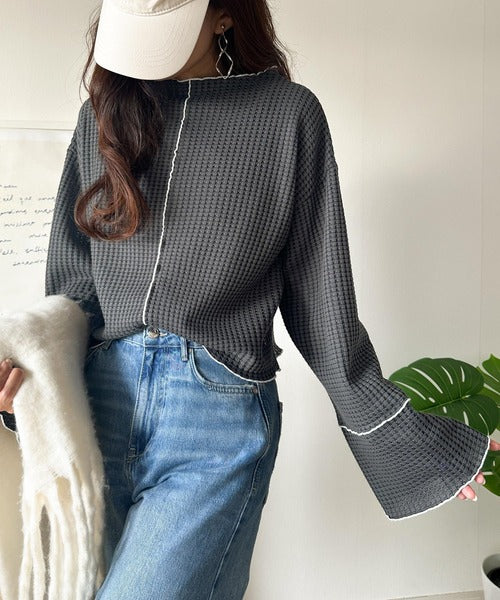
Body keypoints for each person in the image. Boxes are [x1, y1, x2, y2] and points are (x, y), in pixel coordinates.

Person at [1, 0, 497, 598]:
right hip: (101, 400)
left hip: (214, 414)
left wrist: (400, 435)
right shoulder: (102, 116)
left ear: (225, 16)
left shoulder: (287, 116)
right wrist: (31, 385)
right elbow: (73, 287)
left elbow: (320, 296)